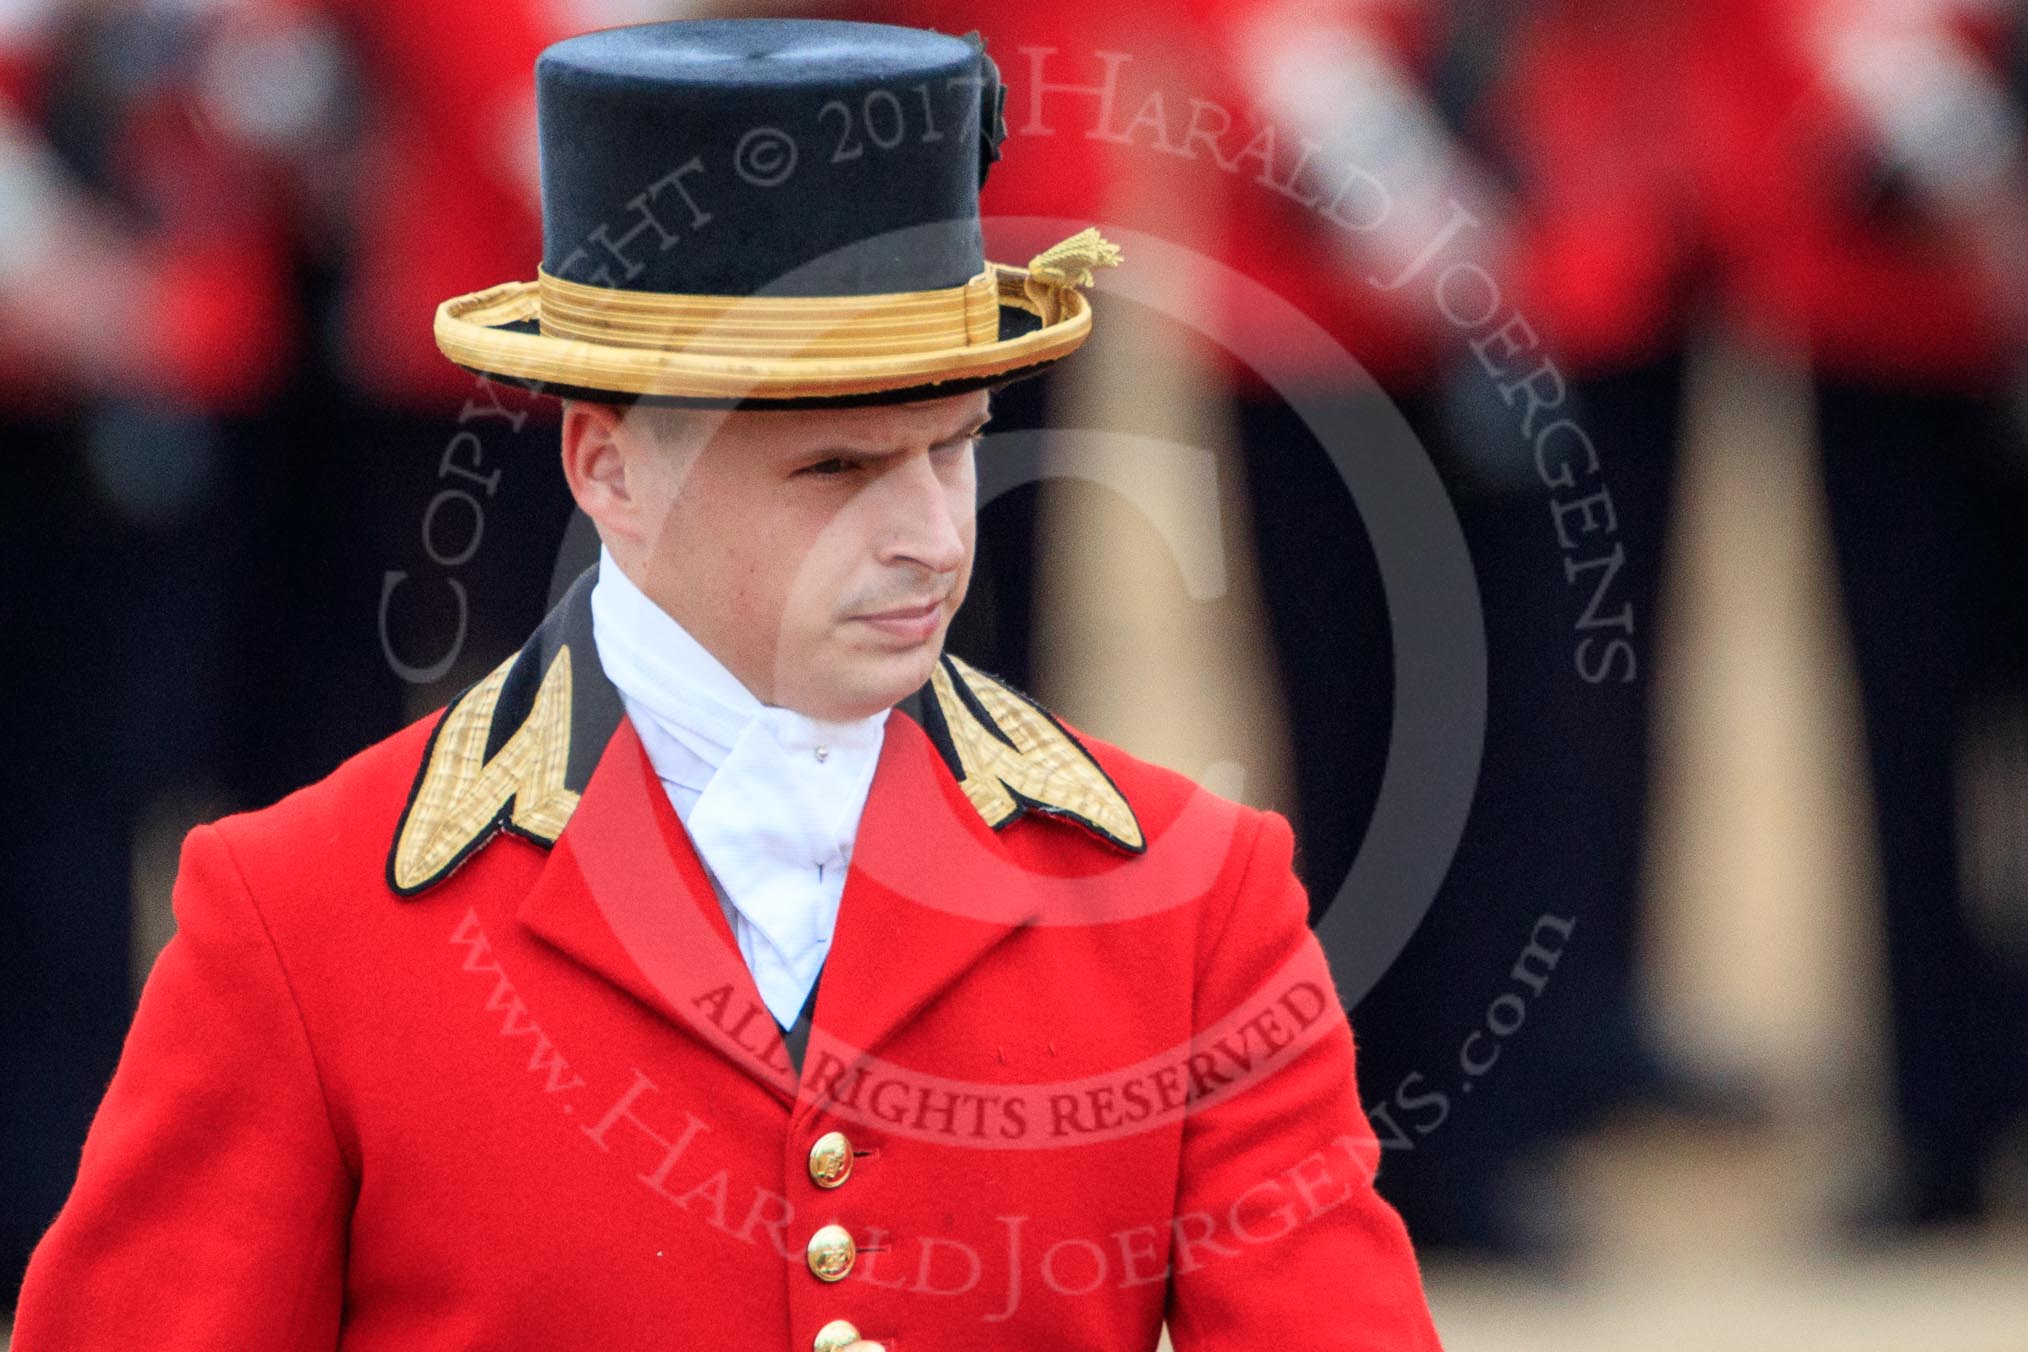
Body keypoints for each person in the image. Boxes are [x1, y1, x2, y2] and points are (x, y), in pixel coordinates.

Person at [14, 18, 1441, 1349]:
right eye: (837, 471)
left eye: (954, 448)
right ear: (608, 468)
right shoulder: (299, 918)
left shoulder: (1202, 904)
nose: (936, 539)